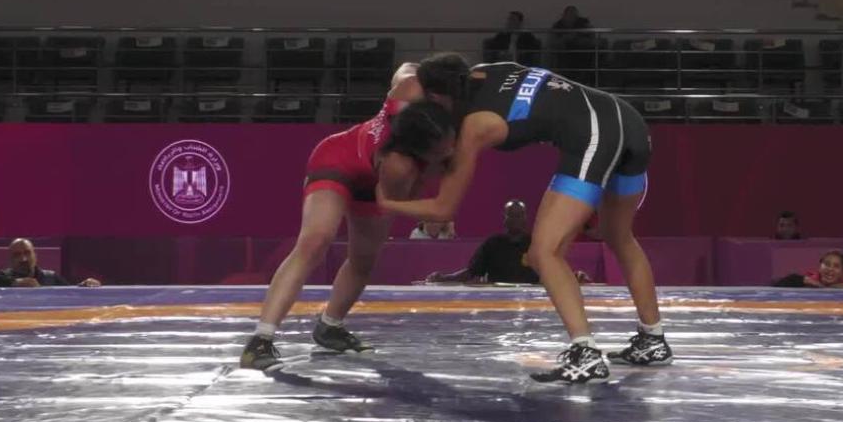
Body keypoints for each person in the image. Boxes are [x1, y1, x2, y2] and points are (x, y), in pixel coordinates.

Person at [380, 54, 671, 384]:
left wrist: (387, 202)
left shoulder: (476, 126)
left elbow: (443, 209)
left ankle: (585, 354)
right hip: (629, 121)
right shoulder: (488, 70)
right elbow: (409, 76)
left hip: (595, 136)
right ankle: (653, 340)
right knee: (619, 237)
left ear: (438, 97)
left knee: (543, 253)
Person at [239, 63, 458, 371]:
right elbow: (408, 68)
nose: (450, 150)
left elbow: (403, 202)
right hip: (339, 159)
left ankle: (330, 326)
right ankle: (260, 340)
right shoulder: (402, 151)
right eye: (442, 150)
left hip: (379, 183)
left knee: (364, 259)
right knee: (315, 241)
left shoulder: (427, 144)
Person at [427, 200, 537, 284]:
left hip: (531, 299)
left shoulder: (537, 244)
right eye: (511, 215)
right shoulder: (492, 243)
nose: (515, 219)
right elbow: (472, 272)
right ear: (504, 218)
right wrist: (445, 278)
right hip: (500, 298)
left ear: (525, 218)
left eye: (519, 215)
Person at [0, 238, 101, 287]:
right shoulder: (3, 277)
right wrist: (14, 283)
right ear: (10, 260)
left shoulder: (51, 278)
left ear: (35, 255)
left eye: (27, 253)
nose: (23, 259)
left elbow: (71, 295)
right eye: (17, 255)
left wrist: (86, 285)